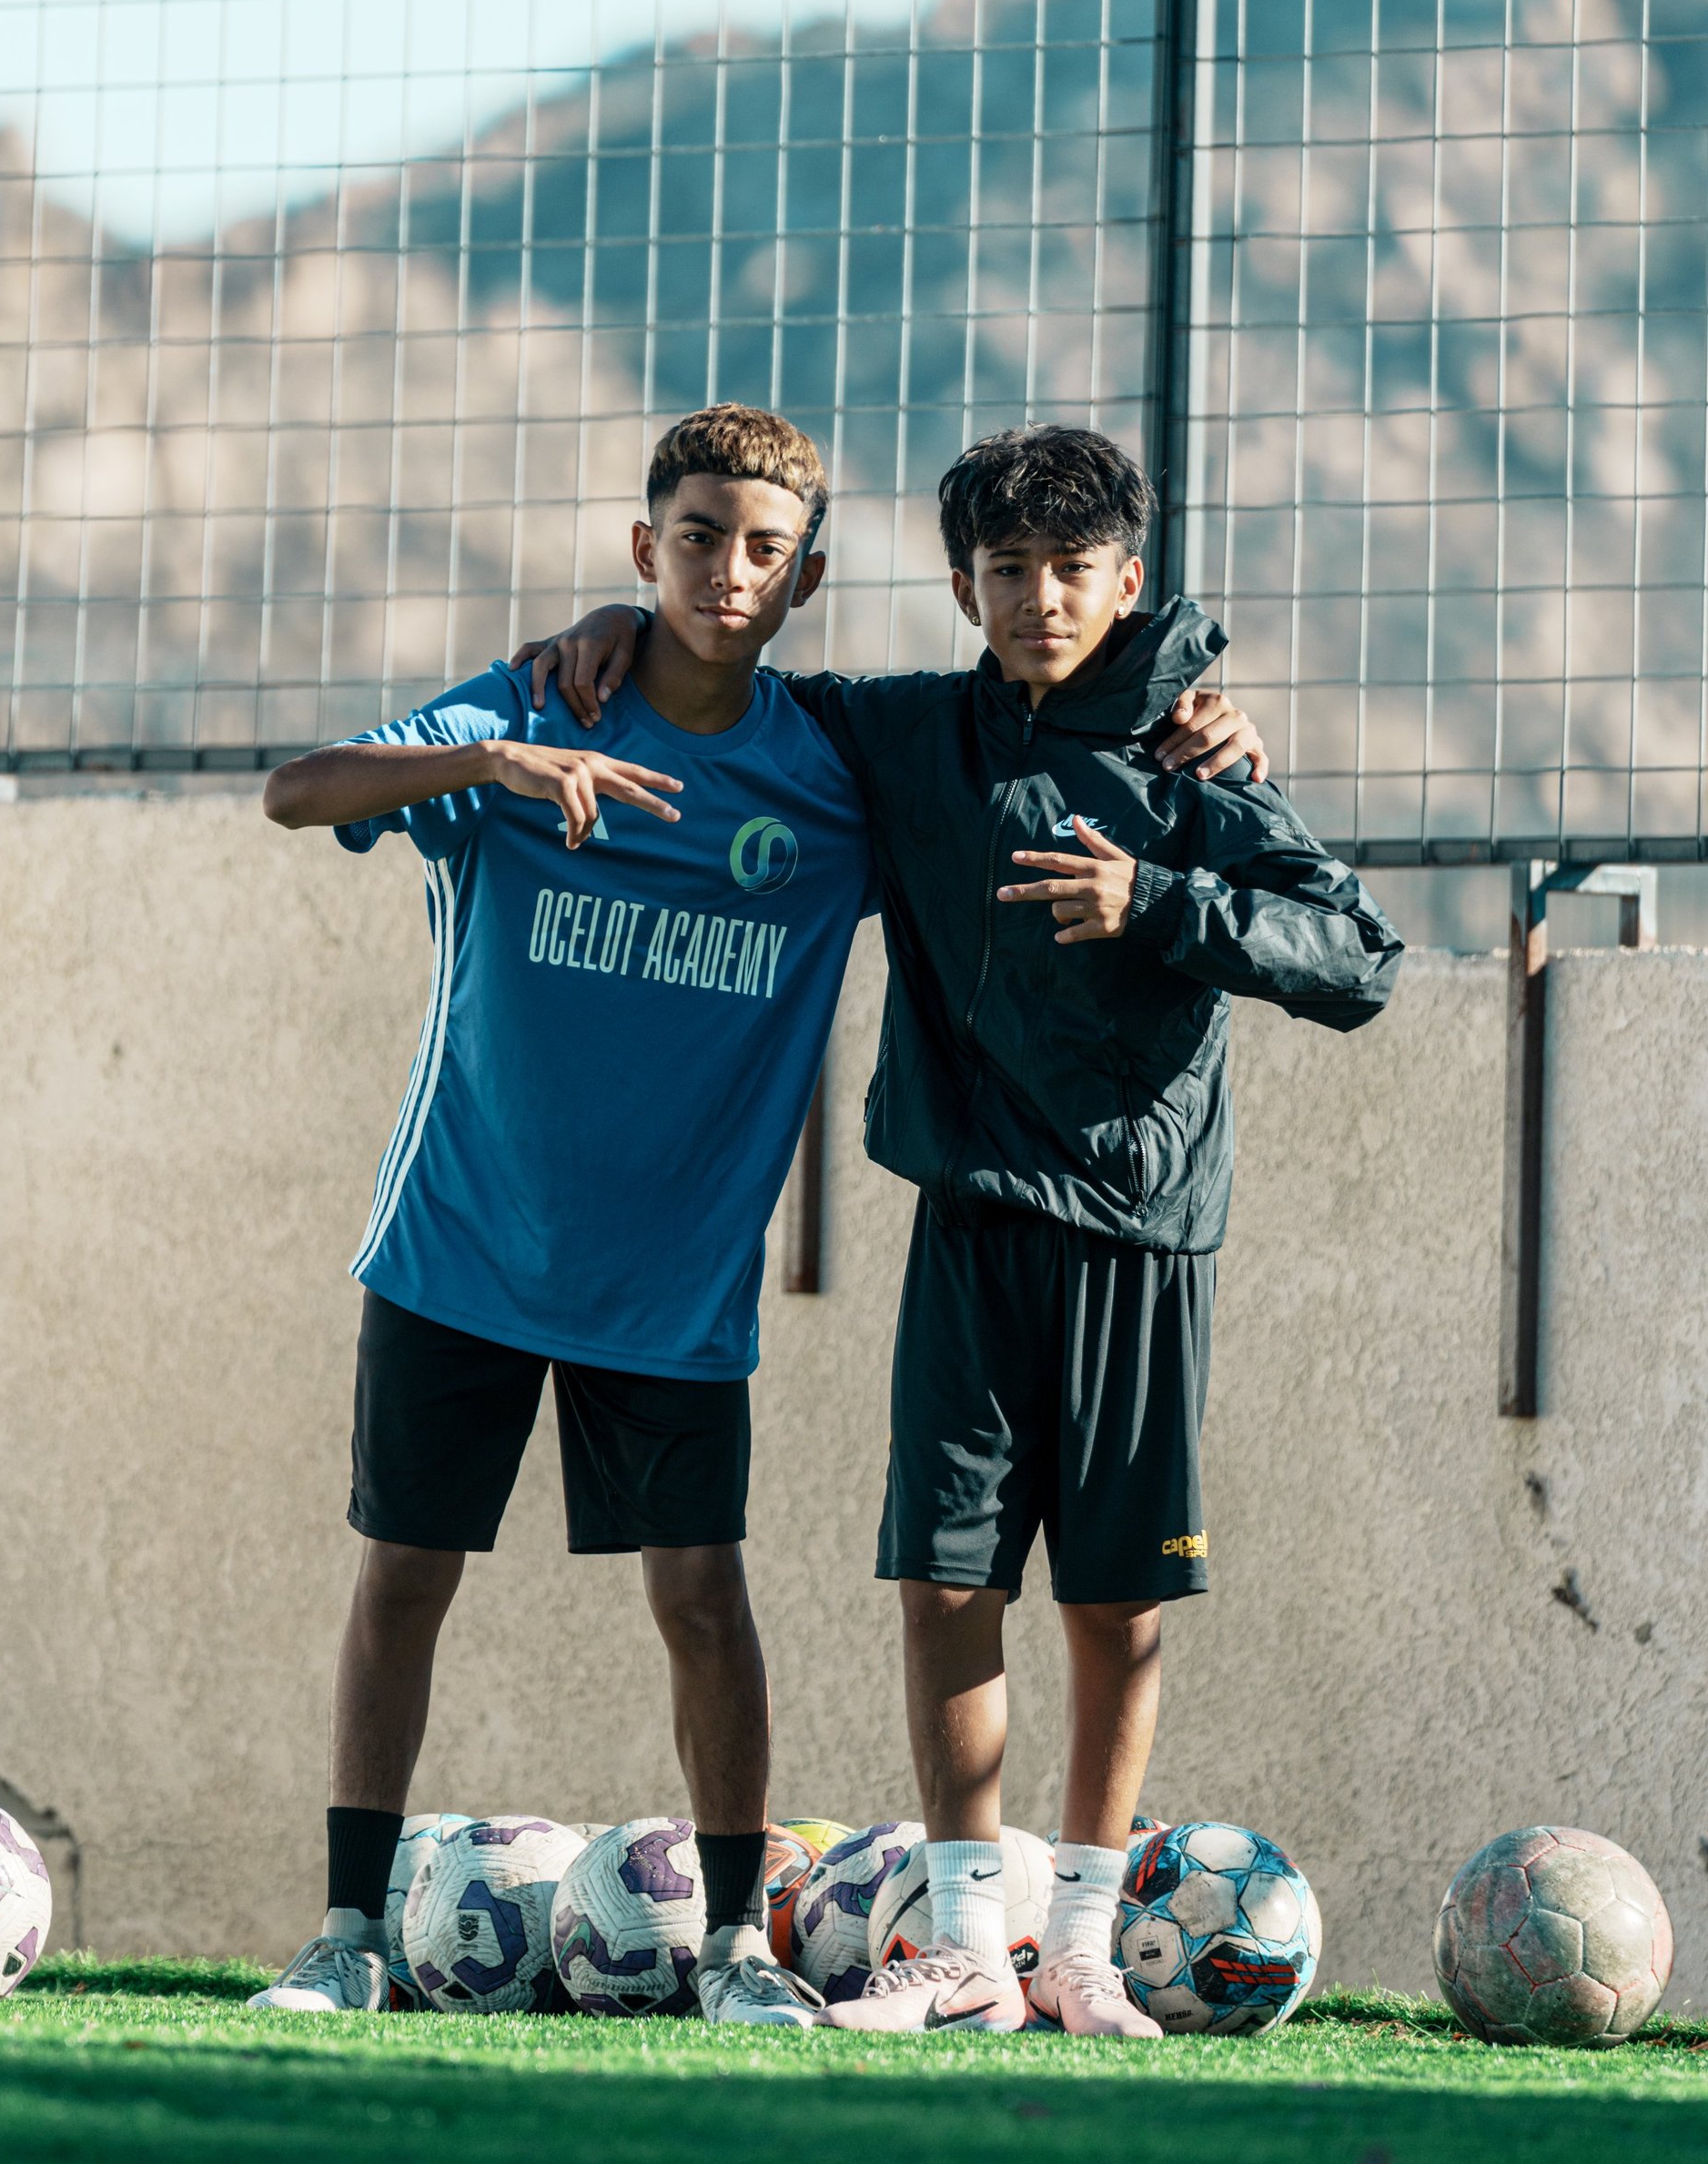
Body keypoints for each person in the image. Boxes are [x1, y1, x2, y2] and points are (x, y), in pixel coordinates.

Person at [249, 405, 1266, 2028]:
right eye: (699, 538)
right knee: (403, 1581)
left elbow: (1016, 759)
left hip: (675, 1287)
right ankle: (348, 1928)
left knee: (704, 1601)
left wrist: (1194, 736)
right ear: (645, 550)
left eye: (766, 550)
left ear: (807, 584)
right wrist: (489, 755)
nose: (730, 571)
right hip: (461, 1244)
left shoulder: (832, 770)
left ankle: (733, 1946)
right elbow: (298, 791)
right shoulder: (529, 708)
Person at [518, 423, 1402, 2038]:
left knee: (1117, 1602)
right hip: (971, 1225)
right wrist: (606, 636)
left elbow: (1361, 957)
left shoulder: (1199, 767)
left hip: (1140, 1236)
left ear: (1128, 581)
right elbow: (737, 703)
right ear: (960, 585)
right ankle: (968, 1952)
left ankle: (1079, 1944)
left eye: (1073, 571)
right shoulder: (908, 739)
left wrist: (1166, 906)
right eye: (1008, 571)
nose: (1041, 599)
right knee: (944, 1581)